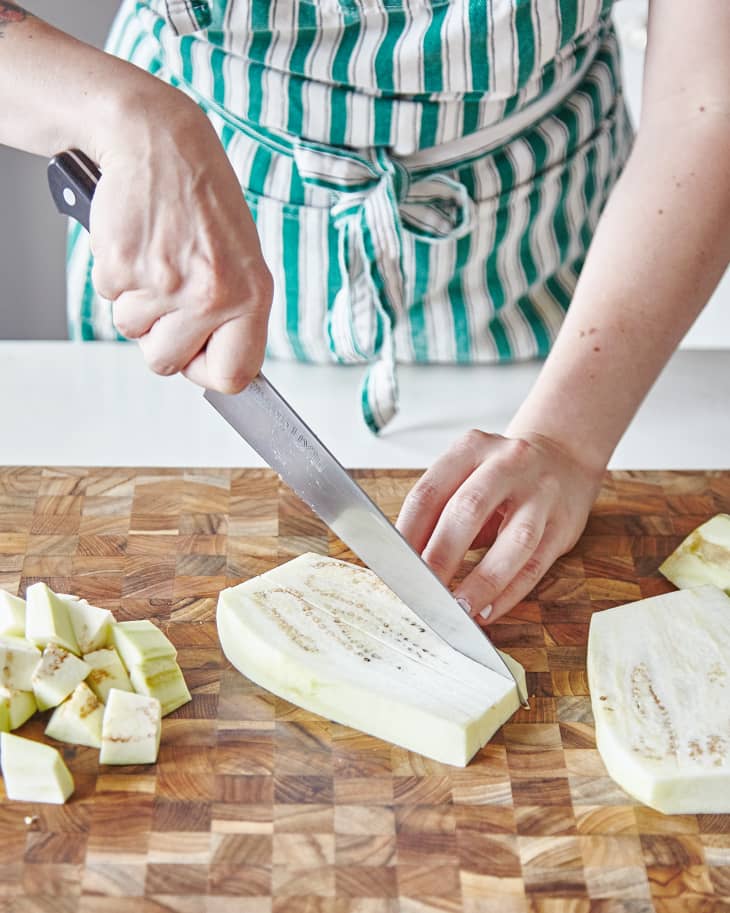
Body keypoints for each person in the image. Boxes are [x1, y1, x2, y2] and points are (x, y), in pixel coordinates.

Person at [1, 0, 728, 626]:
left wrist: (568, 440)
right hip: (178, 238)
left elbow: (708, 103)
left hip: (568, 295)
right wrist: (124, 115)